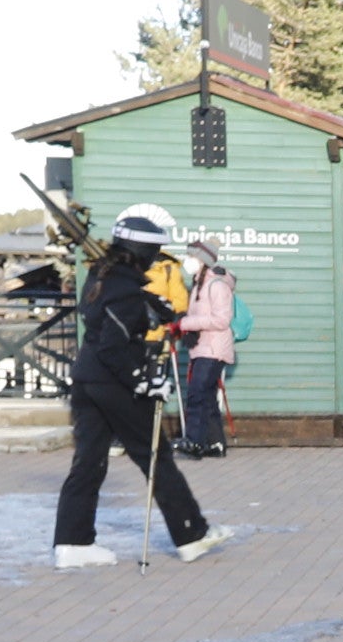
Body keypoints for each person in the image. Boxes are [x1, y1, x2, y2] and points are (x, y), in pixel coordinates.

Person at [53, 204, 221, 566]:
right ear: (143, 253)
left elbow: (104, 317)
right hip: (115, 385)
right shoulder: (124, 288)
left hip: (86, 380)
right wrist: (144, 381)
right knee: (156, 458)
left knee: (88, 462)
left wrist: (150, 304)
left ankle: (72, 543)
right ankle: (192, 534)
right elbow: (115, 345)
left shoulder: (103, 277)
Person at [172, 239, 239, 458]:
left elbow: (221, 320)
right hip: (203, 348)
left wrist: (184, 324)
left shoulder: (216, 286)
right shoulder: (199, 284)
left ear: (203, 260)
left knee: (197, 394)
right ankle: (215, 443)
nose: (187, 261)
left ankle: (194, 441)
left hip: (213, 349)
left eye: (191, 257)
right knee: (207, 396)